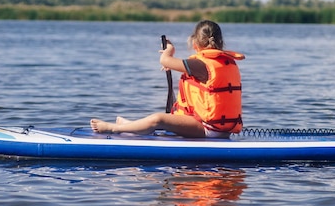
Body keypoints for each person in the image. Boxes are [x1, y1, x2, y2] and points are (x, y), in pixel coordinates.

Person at [91, 20, 245, 138]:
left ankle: (113, 128)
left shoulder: (200, 64)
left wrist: (169, 51)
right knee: (171, 118)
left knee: (159, 119)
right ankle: (132, 127)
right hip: (223, 130)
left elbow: (164, 60)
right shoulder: (225, 62)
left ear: (195, 42)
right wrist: (174, 64)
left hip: (208, 129)